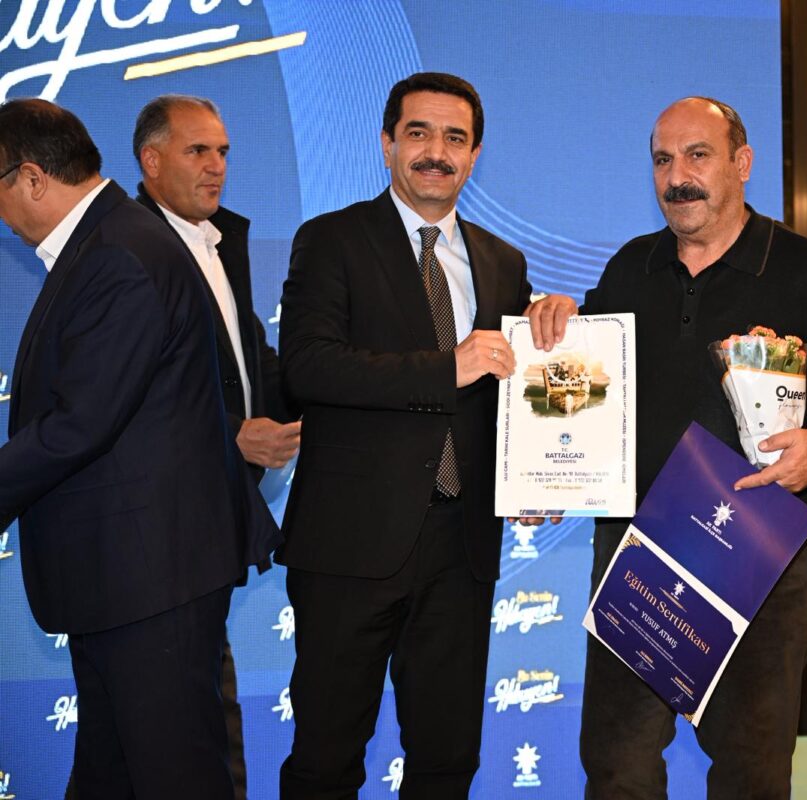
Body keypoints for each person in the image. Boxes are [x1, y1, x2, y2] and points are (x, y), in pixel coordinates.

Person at [529, 96, 807, 799]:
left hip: (759, 550)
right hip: (638, 552)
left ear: (742, 163)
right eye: (663, 160)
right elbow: (581, 395)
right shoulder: (630, 268)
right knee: (618, 766)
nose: (677, 177)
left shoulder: (806, 270)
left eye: (697, 155)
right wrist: (559, 323)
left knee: (752, 769)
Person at [0, 99, 279, 799]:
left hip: (148, 582)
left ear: (31, 178)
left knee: (174, 777)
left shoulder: (118, 254)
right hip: (124, 580)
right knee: (114, 777)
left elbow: (79, 423)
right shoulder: (111, 244)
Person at [276, 72, 532, 799]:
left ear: (474, 155)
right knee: (325, 761)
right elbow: (308, 366)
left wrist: (539, 472)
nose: (435, 152)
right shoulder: (331, 240)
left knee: (446, 761)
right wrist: (448, 368)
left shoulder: (503, 262)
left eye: (455, 138)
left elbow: (512, 392)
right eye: (418, 133)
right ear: (387, 143)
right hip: (348, 546)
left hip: (461, 547)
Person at [133, 94, 301, 799]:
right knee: (179, 725)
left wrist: (339, 391)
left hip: (207, 525)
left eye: (224, 151)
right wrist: (231, 434)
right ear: (151, 161)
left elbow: (253, 362)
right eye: (197, 150)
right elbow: (128, 390)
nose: (217, 166)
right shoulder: (127, 249)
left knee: (179, 719)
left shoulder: (218, 241)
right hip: (154, 535)